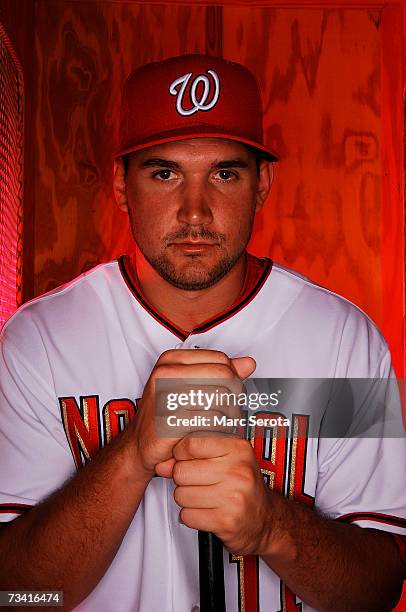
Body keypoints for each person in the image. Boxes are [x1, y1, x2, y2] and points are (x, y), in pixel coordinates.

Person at [0, 54, 405, 612]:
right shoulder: (38, 341)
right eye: (164, 173)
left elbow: (378, 592)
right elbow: (17, 595)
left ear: (262, 183)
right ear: (120, 185)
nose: (195, 211)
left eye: (224, 173)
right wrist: (133, 453)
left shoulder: (346, 340)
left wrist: (272, 527)